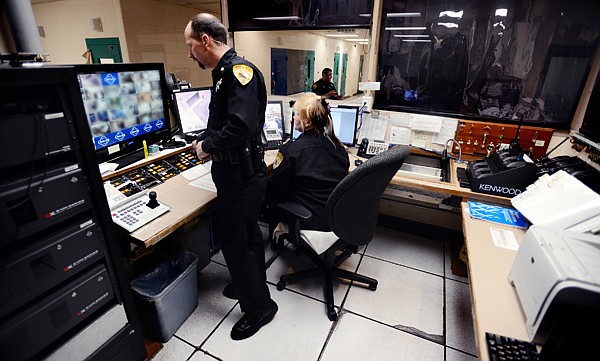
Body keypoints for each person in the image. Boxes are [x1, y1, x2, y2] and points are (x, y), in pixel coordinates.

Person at [184, 13, 277, 341]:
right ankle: (250, 285)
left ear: (205, 41)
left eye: (190, 45)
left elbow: (240, 125)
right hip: (237, 173)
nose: (190, 53)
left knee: (238, 242)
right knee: (246, 238)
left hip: (242, 175)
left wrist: (207, 145)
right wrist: (208, 143)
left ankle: (259, 307)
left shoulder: (239, 72)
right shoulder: (224, 72)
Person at [268, 92, 350, 231]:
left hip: (307, 218)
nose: (294, 117)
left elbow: (276, 187)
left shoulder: (291, 151)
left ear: (308, 121)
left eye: (297, 114)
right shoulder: (339, 148)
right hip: (335, 217)